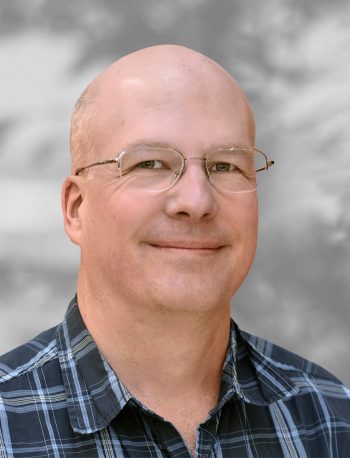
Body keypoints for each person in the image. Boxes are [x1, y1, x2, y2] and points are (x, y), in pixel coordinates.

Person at [0, 44, 349, 458]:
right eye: (150, 164)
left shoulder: (332, 420)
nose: (197, 201)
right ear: (77, 209)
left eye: (226, 166)